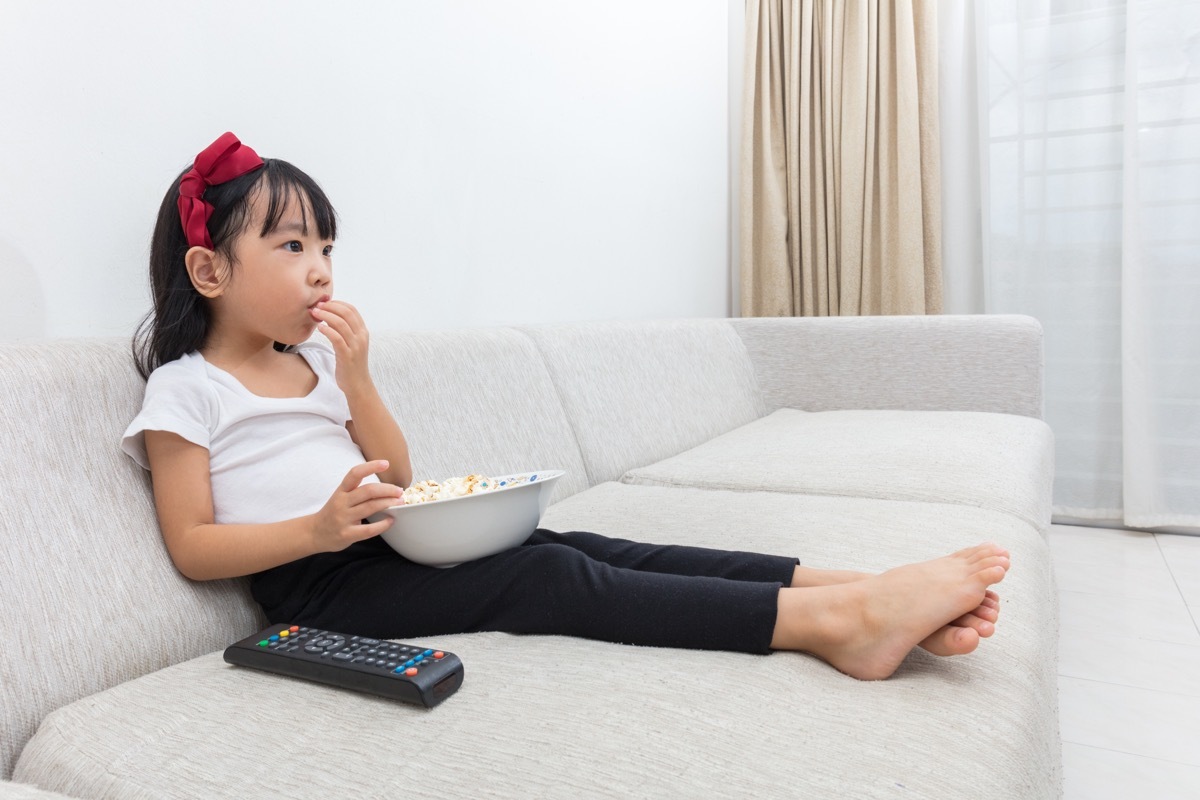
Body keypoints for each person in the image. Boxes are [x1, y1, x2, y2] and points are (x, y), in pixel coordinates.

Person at [122, 132, 1010, 681]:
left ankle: (856, 585)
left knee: (584, 545)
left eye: (326, 245)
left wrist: (357, 380)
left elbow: (399, 474)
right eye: (291, 245)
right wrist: (315, 530)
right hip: (317, 592)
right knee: (549, 580)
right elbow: (194, 547)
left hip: (386, 551)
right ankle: (837, 628)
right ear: (210, 271)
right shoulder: (186, 389)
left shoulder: (317, 365)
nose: (320, 267)